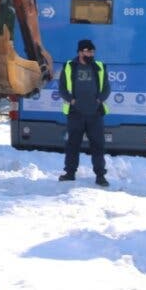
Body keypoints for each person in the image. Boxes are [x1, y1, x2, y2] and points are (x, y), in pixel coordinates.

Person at [58, 38, 111, 186]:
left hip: (95, 114)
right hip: (75, 113)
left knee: (98, 145)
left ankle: (100, 175)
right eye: (88, 51)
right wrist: (71, 100)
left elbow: (107, 87)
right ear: (80, 52)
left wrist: (100, 100)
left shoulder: (99, 66)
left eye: (92, 51)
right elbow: (62, 88)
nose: (91, 54)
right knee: (72, 144)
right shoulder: (69, 66)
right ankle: (70, 173)